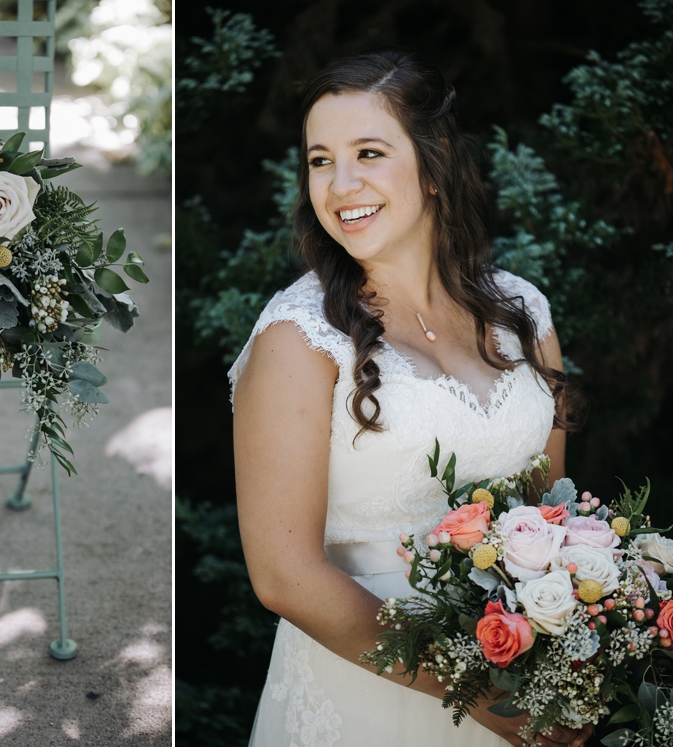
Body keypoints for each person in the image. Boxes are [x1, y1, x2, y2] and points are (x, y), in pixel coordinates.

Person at [230, 49, 592, 747]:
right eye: (320, 160)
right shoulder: (299, 337)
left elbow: (550, 510)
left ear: (434, 163)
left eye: (369, 152)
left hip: (517, 681)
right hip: (363, 693)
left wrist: (566, 665)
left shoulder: (523, 311)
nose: (342, 184)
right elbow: (283, 574)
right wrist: (471, 686)